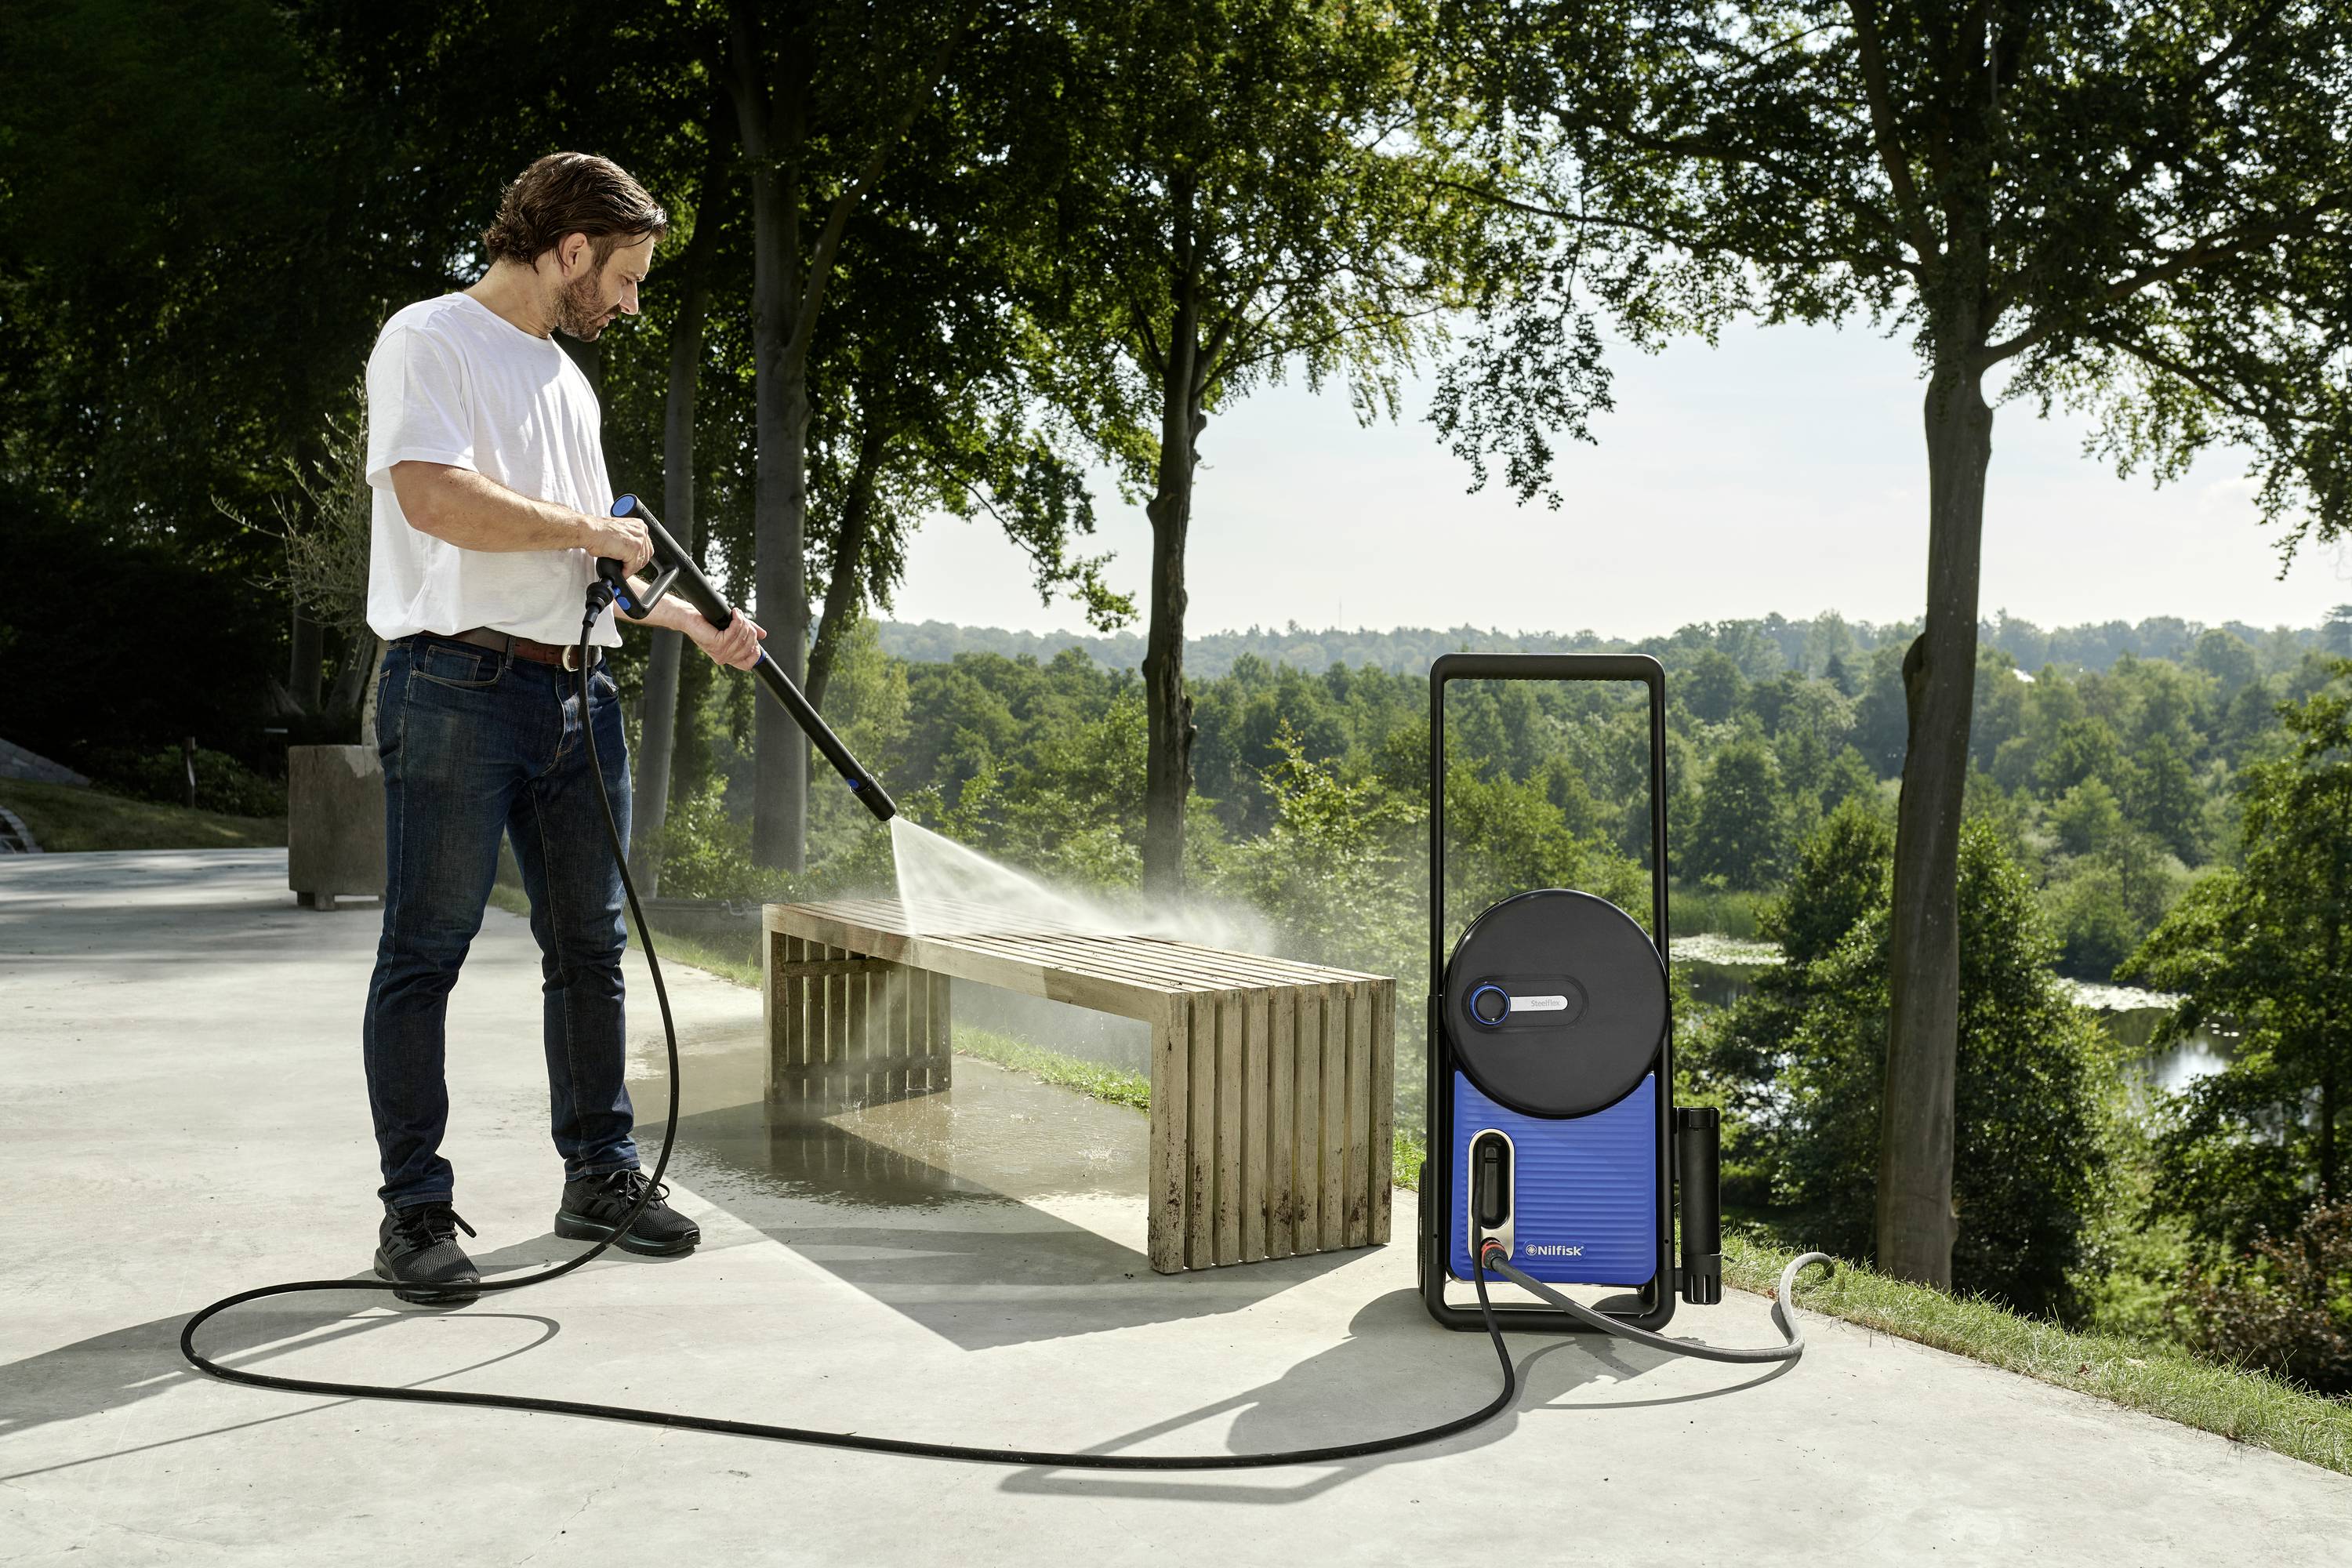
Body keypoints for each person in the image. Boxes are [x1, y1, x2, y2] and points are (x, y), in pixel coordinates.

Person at [360, 152, 763, 1304]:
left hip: (578, 691)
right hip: (455, 689)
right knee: (425, 954)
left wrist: (693, 620)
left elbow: (594, 557)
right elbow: (435, 498)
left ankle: (601, 1172)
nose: (630, 303)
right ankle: (415, 1215)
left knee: (588, 947)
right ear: (572, 248)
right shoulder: (428, 339)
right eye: (626, 277)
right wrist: (594, 528)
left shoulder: (565, 382)